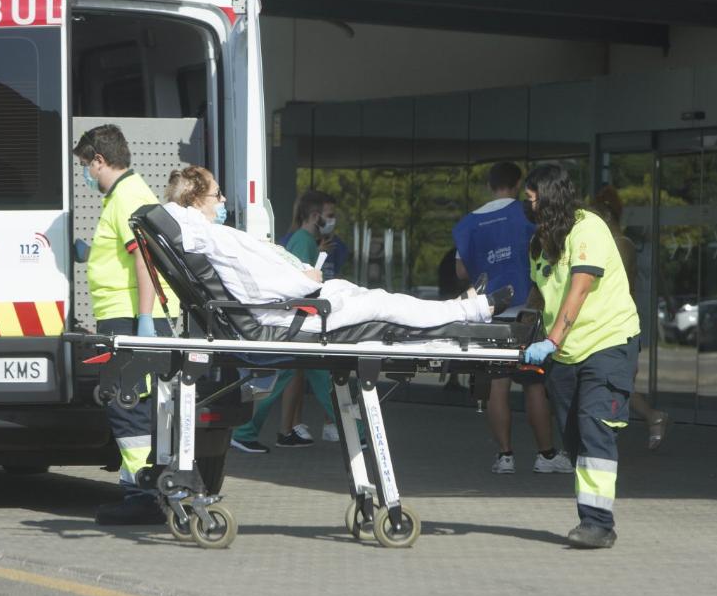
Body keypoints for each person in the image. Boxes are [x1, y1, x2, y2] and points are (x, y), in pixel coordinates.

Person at [162, 166, 513, 451]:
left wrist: (303, 279)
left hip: (292, 310)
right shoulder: (221, 239)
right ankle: (470, 311)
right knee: (382, 305)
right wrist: (307, 278)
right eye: (217, 194)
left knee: (381, 301)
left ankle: (464, 308)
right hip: (294, 314)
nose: (223, 200)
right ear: (195, 199)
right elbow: (263, 284)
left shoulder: (214, 237)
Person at [522, 164, 641, 549]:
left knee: (594, 428)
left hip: (607, 343)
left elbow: (580, 287)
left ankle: (597, 523)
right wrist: (519, 330)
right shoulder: (540, 241)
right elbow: (541, 294)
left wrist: (552, 341)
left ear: (552, 195)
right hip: (568, 352)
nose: (530, 203)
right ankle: (593, 517)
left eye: (533, 196)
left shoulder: (587, 227)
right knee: (574, 437)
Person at [78, 124, 180, 526]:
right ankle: (139, 490)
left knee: (129, 404)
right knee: (135, 403)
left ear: (100, 161)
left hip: (133, 315)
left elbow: (145, 259)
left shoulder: (126, 197)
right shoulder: (125, 195)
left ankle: (144, 494)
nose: (87, 174)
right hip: (127, 313)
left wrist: (143, 319)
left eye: (87, 166)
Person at [453, 161, 571, 475]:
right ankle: (545, 456)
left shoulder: (468, 224)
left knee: (497, 387)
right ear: (518, 184)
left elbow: (461, 271)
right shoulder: (526, 214)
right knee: (534, 385)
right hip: (527, 314)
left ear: (490, 185)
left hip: (489, 314)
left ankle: (505, 456)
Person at [238, 190, 341, 451]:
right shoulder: (304, 241)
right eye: (329, 216)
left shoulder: (303, 240)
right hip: (304, 322)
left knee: (299, 378)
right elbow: (301, 283)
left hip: (302, 321)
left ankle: (246, 431)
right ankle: (359, 433)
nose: (332, 221)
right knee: (322, 378)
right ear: (315, 216)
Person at [593, 185, 669, 450]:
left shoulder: (621, 245)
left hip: (618, 322)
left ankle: (649, 417)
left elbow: (614, 284)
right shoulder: (612, 243)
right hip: (611, 322)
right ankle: (646, 419)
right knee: (615, 380)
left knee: (618, 381)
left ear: (606, 216)